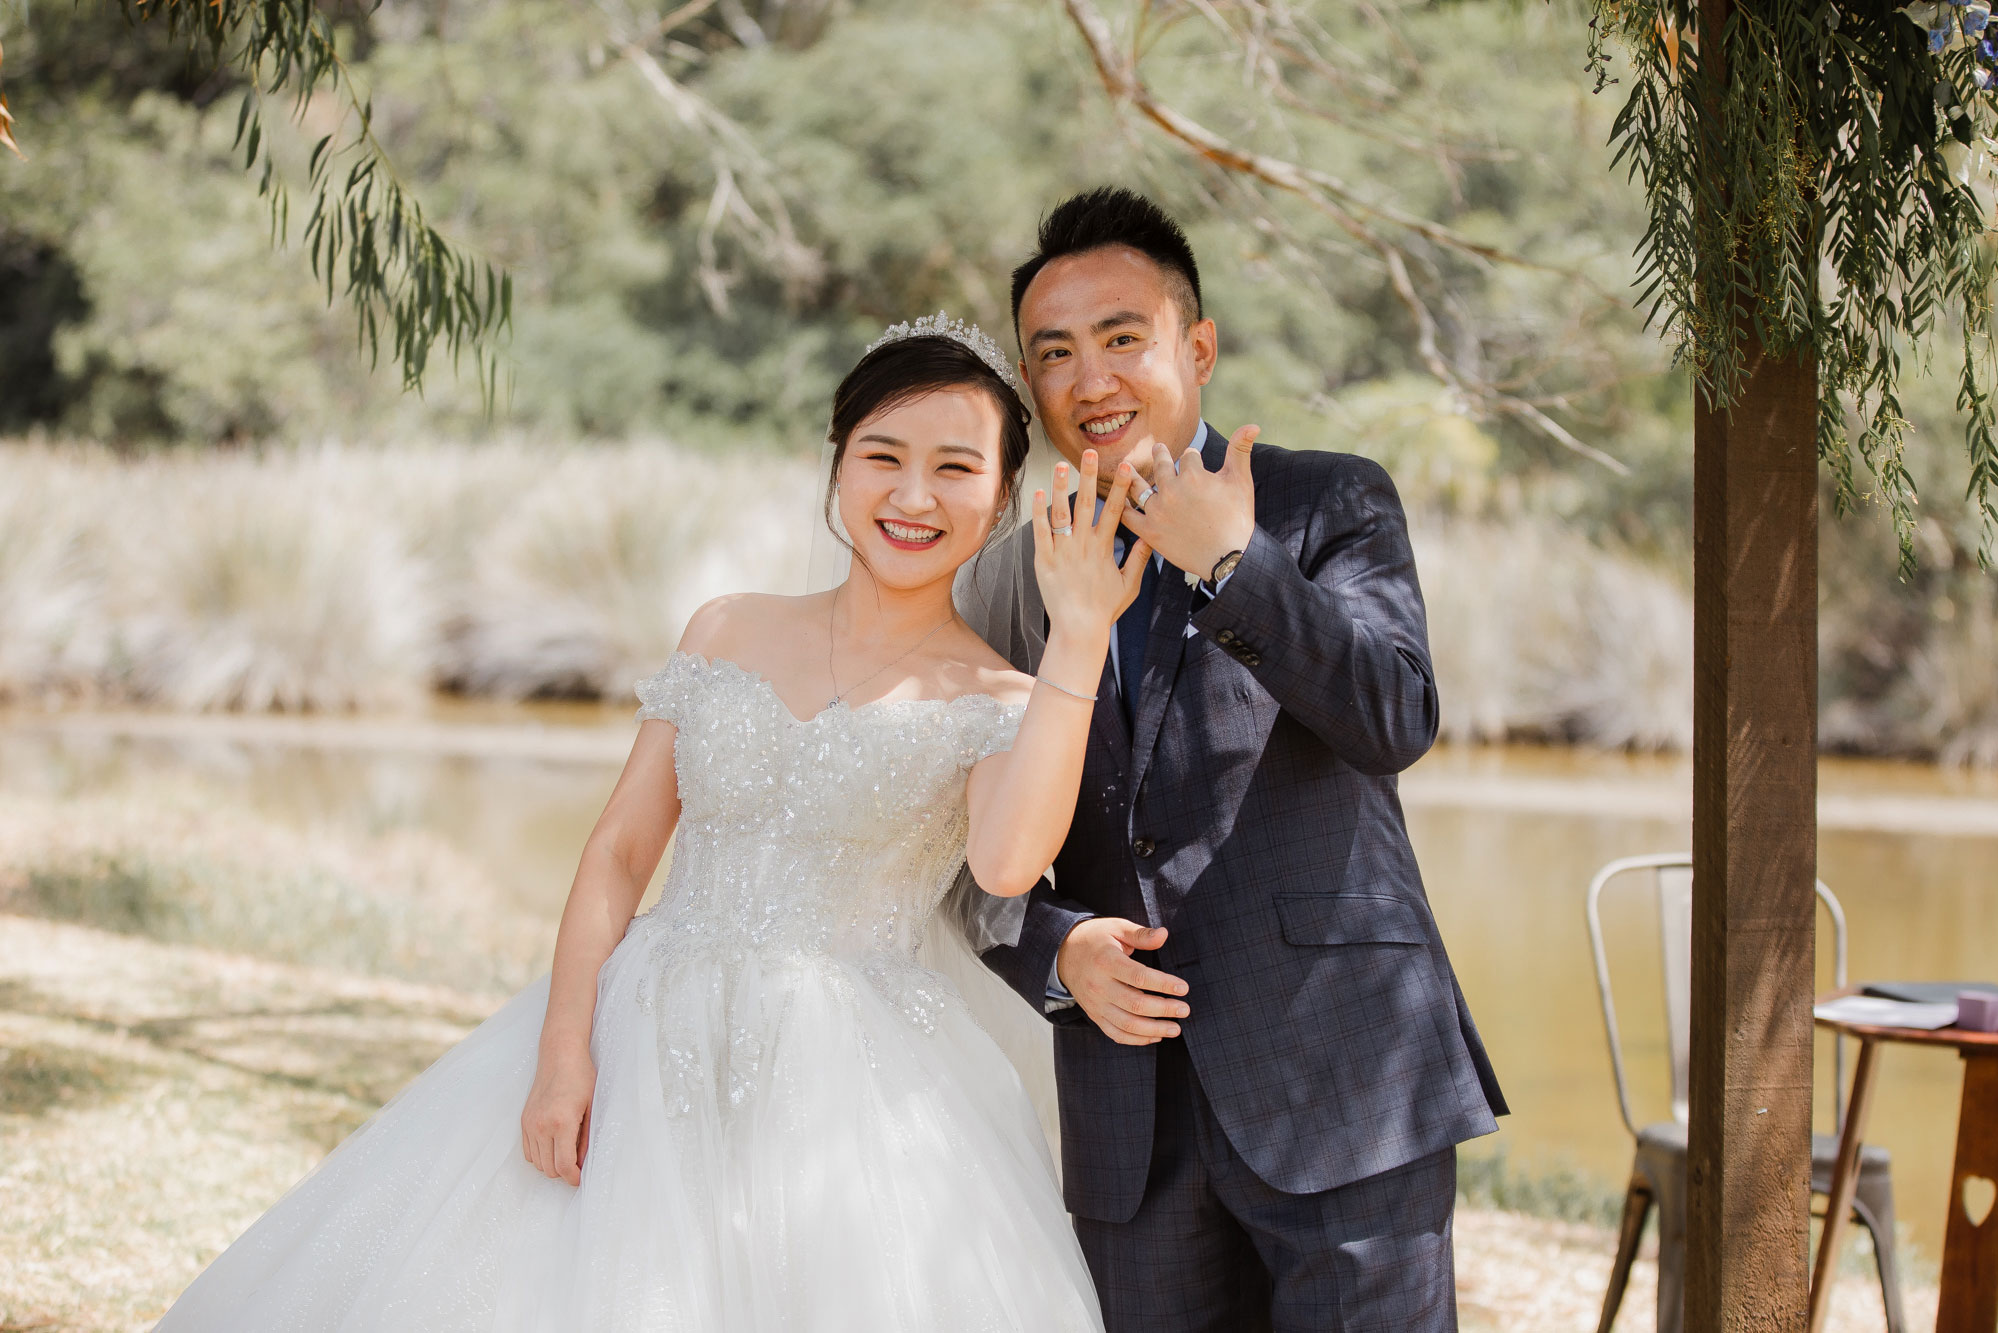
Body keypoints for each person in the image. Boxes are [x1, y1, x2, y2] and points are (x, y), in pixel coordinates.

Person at [153, 316, 1149, 1331]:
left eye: (953, 467)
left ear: (1000, 498)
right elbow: (619, 852)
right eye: (881, 456)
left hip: (853, 1080)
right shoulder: (727, 626)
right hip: (639, 1030)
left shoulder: (999, 696)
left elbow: (1007, 859)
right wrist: (562, 1052)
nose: (911, 495)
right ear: (837, 464)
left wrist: (1075, 641)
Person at [960, 187, 1509, 1332]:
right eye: (1052, 354)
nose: (1089, 380)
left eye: (1122, 338)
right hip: (1130, 1123)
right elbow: (957, 853)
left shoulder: (1327, 501)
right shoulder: (1009, 580)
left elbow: (1390, 716)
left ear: (1195, 347)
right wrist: (1057, 954)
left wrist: (1231, 562)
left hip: (1343, 1078)